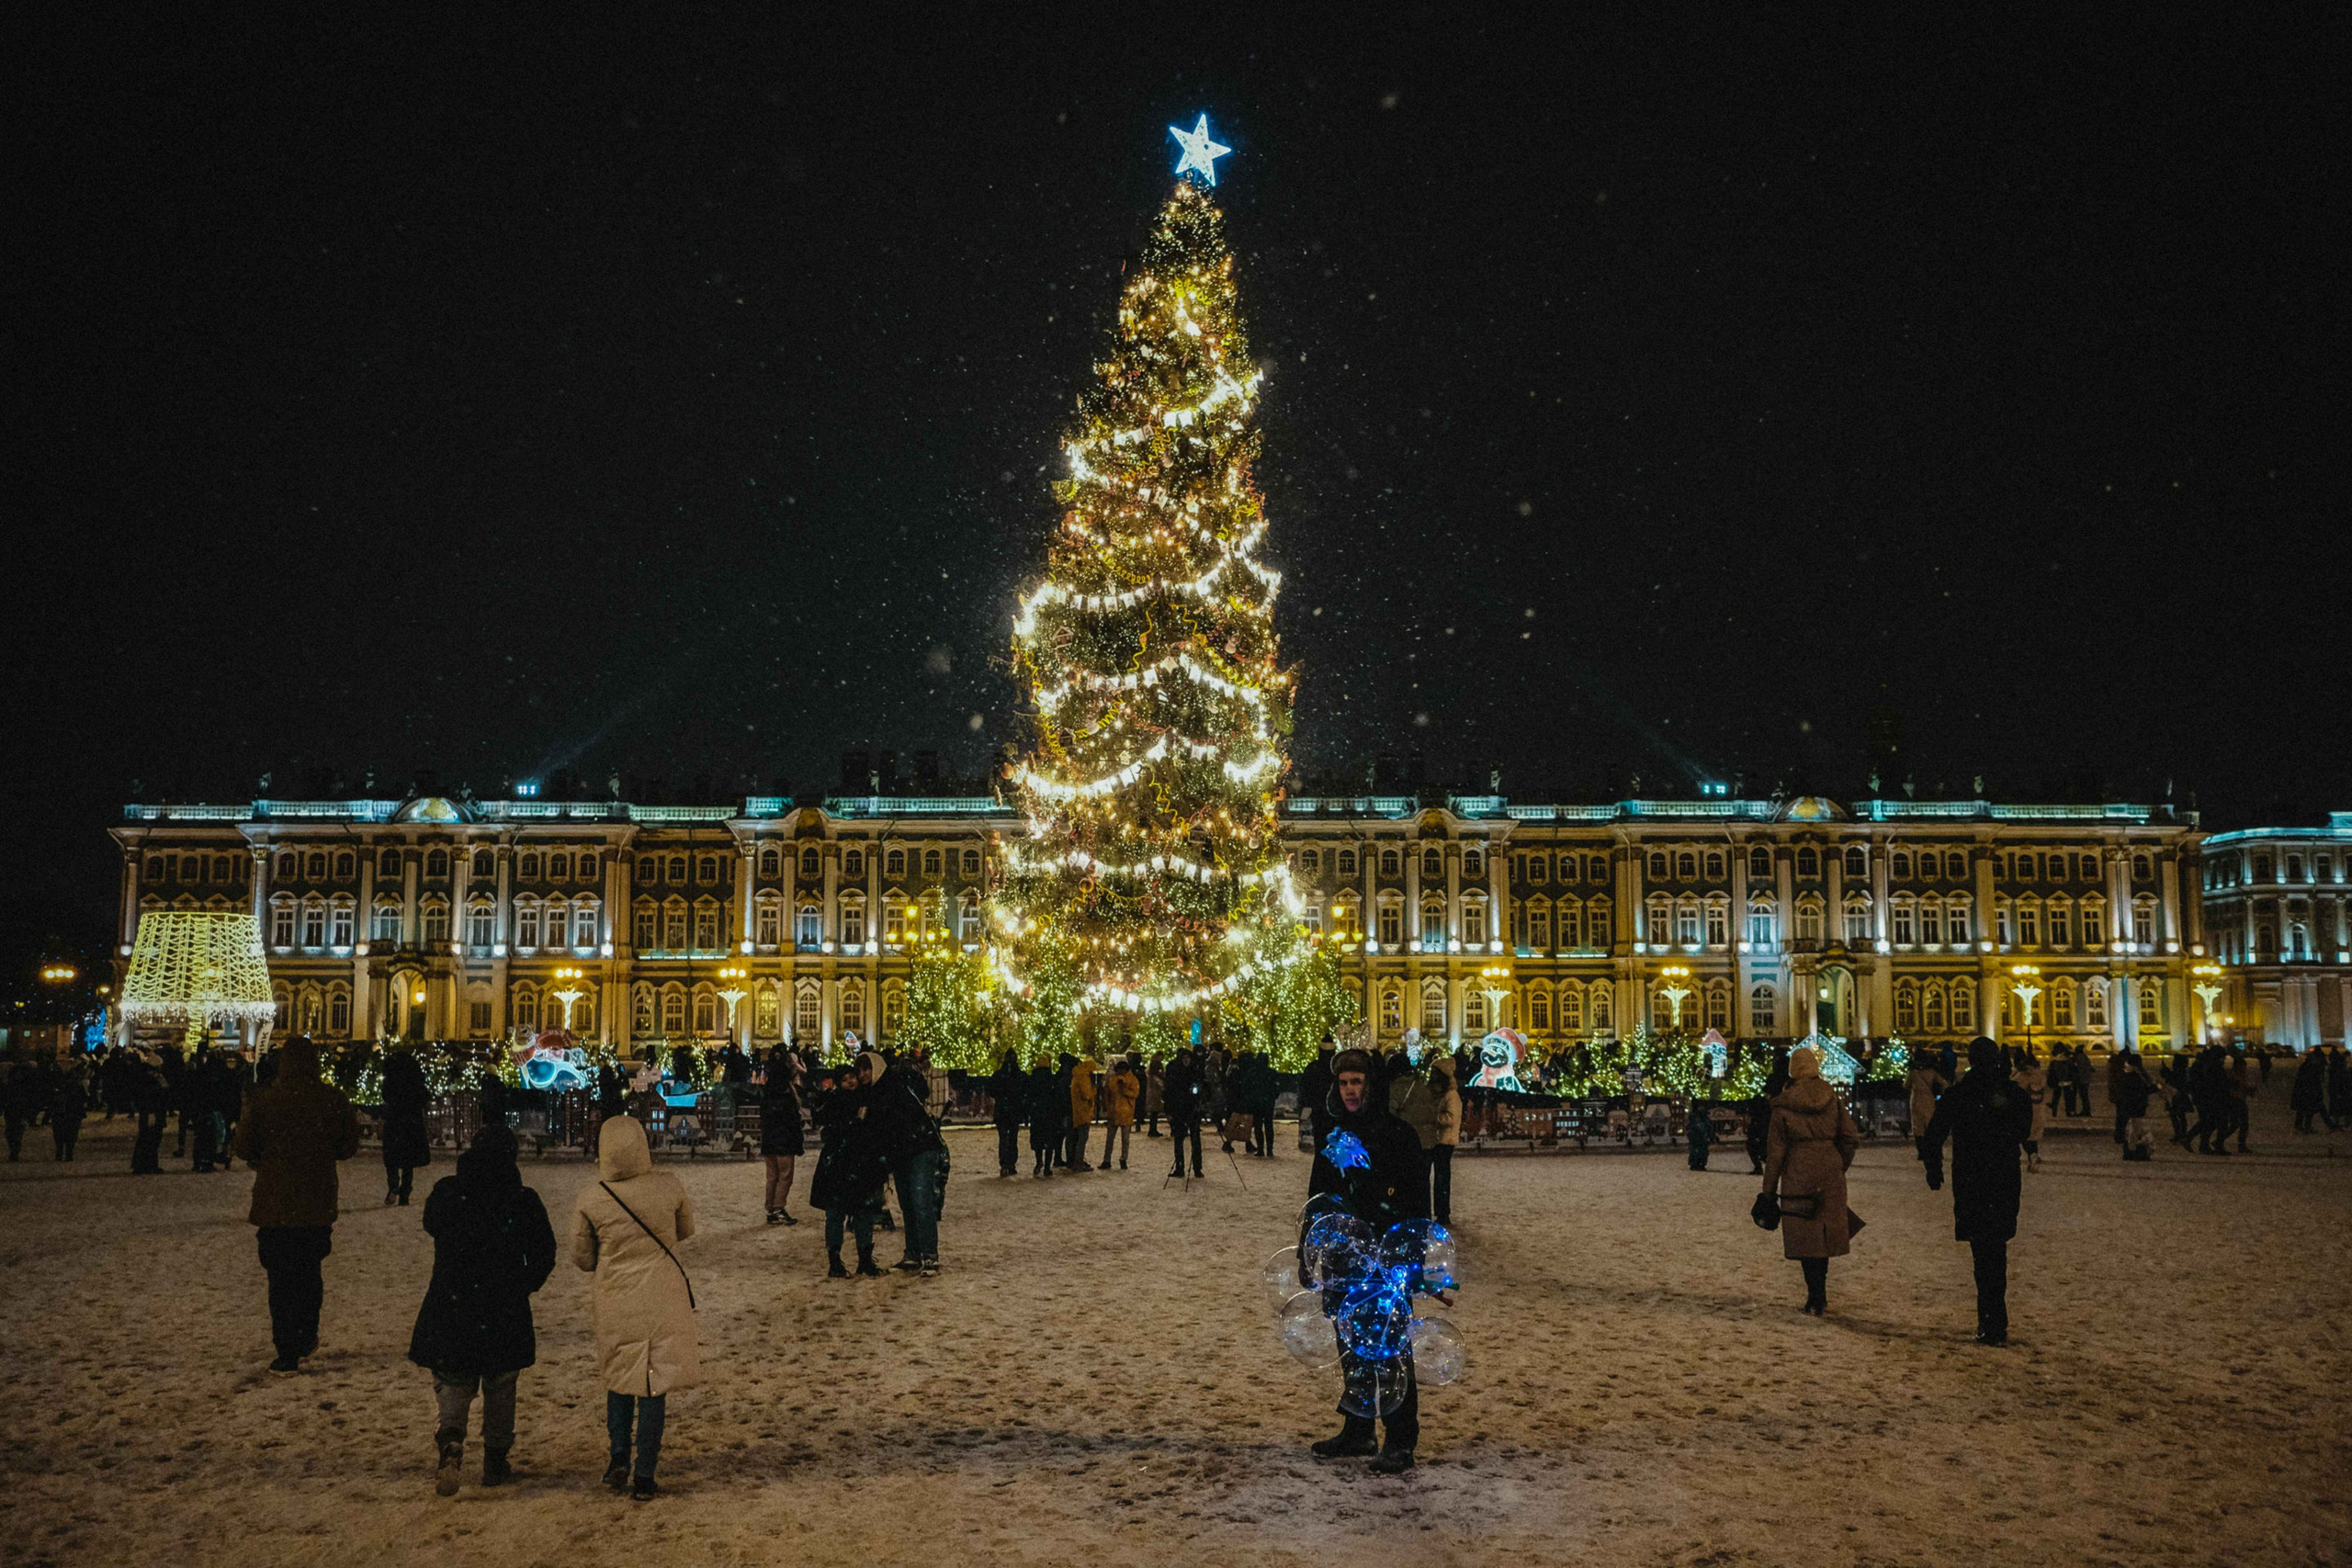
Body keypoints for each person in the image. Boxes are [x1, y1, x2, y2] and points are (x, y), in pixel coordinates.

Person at [409, 1125, 557, 1495]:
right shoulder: (522, 1200)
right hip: (504, 1305)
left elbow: (431, 1224)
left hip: (453, 1301)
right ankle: (495, 1457)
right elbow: (544, 1252)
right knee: (501, 1383)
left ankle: (451, 1438)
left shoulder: (447, 1193)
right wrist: (523, 1284)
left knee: (454, 1378)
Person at [1305, 1047, 1431, 1474]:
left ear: (1371, 1086)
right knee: (1351, 1345)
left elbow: (1418, 1204)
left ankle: (1400, 1438)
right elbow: (1318, 1197)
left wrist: (1413, 1259)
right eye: (1343, 1083)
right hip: (1344, 1258)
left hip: (1385, 1259)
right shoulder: (1334, 1133)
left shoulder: (1399, 1135)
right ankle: (1358, 1429)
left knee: (1391, 1349)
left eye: (1357, 1082)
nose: (1350, 1090)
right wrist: (1309, 1250)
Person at [571, 1114, 698, 1501]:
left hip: (616, 1297)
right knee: (654, 1384)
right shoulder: (668, 1185)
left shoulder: (592, 1198)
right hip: (662, 1296)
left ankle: (618, 1457)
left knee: (620, 1378)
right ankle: (646, 1473)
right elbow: (686, 1230)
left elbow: (582, 1258)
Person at [231, 1037, 362, 1374]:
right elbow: (348, 1145)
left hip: (275, 1202)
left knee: (280, 1279)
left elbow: (243, 1146)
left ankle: (285, 1348)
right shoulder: (331, 1100)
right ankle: (305, 1334)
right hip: (315, 1200)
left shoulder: (266, 1101)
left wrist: (265, 1156)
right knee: (308, 1272)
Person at [1920, 1037, 2035, 1345]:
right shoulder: (2011, 1093)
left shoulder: (1960, 1094)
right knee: (1996, 1249)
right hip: (2003, 1179)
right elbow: (2024, 1128)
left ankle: (1990, 1319)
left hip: (1971, 1180)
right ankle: (1995, 1319)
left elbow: (1935, 1134)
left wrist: (1934, 1169)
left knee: (1982, 1252)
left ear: (1970, 1060)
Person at [1759, 1045, 1860, 1317]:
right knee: (1823, 1234)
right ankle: (1820, 1292)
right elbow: (1850, 1138)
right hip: (1829, 1173)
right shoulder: (1832, 1099)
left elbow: (1775, 1154)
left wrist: (1768, 1191)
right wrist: (1838, 1164)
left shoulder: (1783, 1106)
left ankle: (1814, 1294)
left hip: (1798, 1173)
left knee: (1806, 1236)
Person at [810, 1055, 888, 1277]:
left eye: (852, 1077)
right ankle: (835, 1260)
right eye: (845, 1080)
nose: (850, 1082)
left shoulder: (868, 1098)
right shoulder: (835, 1101)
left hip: (861, 1164)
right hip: (839, 1165)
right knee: (836, 1214)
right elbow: (825, 1122)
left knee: (863, 1213)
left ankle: (864, 1259)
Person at [875, 1053, 948, 1277]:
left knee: (920, 1202)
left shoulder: (894, 1086)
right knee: (908, 1203)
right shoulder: (881, 1091)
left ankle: (929, 1255)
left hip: (919, 1147)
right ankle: (913, 1253)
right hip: (902, 1150)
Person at [379, 1047, 433, 1206]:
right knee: (408, 1161)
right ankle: (405, 1192)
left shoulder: (391, 1079)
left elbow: (386, 1096)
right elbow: (425, 1098)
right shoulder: (415, 1081)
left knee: (391, 1157)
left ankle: (393, 1185)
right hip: (412, 1123)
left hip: (395, 1121)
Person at [1386, 1054, 1442, 1198]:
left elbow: (1391, 1115)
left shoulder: (1394, 1089)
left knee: (1406, 1183)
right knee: (1423, 1182)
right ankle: (1424, 1209)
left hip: (1407, 1143)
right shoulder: (1421, 1087)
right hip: (1427, 1142)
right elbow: (1432, 1113)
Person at [759, 1046, 803, 1224]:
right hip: (784, 1140)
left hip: (769, 1139)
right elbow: (792, 1119)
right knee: (785, 1175)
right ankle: (778, 1208)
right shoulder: (787, 1092)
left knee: (772, 1176)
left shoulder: (768, 1091)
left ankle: (770, 1208)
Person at [1428, 1055, 1459, 1225]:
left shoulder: (1451, 1095)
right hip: (1437, 1139)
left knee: (1441, 1178)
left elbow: (1451, 1119)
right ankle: (1440, 1211)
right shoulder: (1439, 1093)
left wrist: (1433, 1117)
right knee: (1440, 1177)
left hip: (1445, 1141)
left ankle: (1443, 1212)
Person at [1164, 1046, 1204, 1179]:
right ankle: (1179, 1167)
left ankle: (1197, 1168)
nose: (1186, 1060)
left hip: (1193, 1109)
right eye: (1184, 1058)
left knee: (1195, 1140)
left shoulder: (1195, 1073)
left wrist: (1199, 1097)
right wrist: (1169, 1111)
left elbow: (1203, 1091)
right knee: (1179, 1139)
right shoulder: (1175, 1074)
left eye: (1188, 1058)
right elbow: (1169, 1093)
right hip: (1179, 1110)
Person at [130, 1050, 171, 1174]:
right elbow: (155, 1095)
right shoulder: (152, 1078)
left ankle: (144, 1164)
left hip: (150, 1112)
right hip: (153, 1112)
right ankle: (148, 1165)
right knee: (151, 1138)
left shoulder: (145, 1076)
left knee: (147, 1138)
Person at [2112, 1052, 2158, 1160]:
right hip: (2135, 1106)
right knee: (2135, 1130)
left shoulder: (2128, 1075)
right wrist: (2155, 1088)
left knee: (2135, 1129)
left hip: (2133, 1106)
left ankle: (2131, 1150)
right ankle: (2132, 1151)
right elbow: (2141, 1091)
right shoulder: (2134, 1076)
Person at [989, 1049, 1025, 1176]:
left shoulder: (999, 1075)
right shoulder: (1019, 1075)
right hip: (1014, 1110)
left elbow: (992, 1091)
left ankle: (1004, 1164)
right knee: (1012, 1139)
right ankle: (1011, 1164)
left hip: (1002, 1110)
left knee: (1003, 1138)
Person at [1102, 1056, 1140, 1170]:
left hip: (1122, 1113)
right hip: (1120, 1112)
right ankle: (1110, 1160)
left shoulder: (1129, 1080)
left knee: (1121, 1139)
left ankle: (1119, 1159)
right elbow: (1107, 1093)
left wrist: (1124, 1090)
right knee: (1113, 1139)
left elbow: (1135, 1094)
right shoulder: (1129, 1079)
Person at [2013, 1050, 2048, 1174]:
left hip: (2025, 1112)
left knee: (2024, 1137)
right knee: (2033, 1138)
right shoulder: (2041, 1076)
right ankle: (2033, 1157)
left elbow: (2013, 1091)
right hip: (2039, 1111)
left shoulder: (2021, 1077)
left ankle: (2032, 1156)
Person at [1026, 1057, 1062, 1178]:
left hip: (1037, 1114)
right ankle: (1047, 1167)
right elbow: (1057, 1097)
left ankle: (1039, 1161)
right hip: (1049, 1114)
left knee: (1038, 1140)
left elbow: (1029, 1096)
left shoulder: (1032, 1079)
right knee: (1049, 1142)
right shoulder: (1052, 1079)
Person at [2, 1050, 40, 1161]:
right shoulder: (23, 1076)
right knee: (15, 1129)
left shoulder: (16, 1076)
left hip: (15, 1105)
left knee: (14, 1129)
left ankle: (14, 1150)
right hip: (16, 1105)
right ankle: (14, 1150)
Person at [1299, 1039, 1336, 1152]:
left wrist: (1307, 1104)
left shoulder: (1313, 1067)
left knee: (1319, 1140)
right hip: (1332, 1110)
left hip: (1317, 1110)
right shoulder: (1336, 1068)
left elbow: (1304, 1087)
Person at [48, 1060, 88, 1161]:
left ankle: (59, 1154)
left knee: (59, 1134)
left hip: (61, 1112)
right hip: (73, 1113)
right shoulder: (77, 1085)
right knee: (71, 1134)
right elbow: (84, 1098)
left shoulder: (59, 1085)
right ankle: (68, 1154)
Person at [1066, 1054, 1098, 1172]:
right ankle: (1078, 1162)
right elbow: (1087, 1094)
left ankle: (1075, 1160)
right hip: (1084, 1111)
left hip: (1077, 1110)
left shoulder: (1077, 1075)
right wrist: (1094, 1090)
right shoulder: (1084, 1077)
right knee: (1082, 1138)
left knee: (1077, 1137)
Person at [2290, 1047, 2332, 1133]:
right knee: (2312, 1109)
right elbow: (2310, 1080)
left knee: (2304, 1109)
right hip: (2308, 1091)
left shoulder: (2307, 1065)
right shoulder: (2311, 1067)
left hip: (2305, 1091)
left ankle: (2302, 1126)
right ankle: (2306, 1126)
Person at [2223, 1045, 2252, 1153]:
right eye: (2243, 1067)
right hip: (2235, 1101)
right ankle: (2239, 1144)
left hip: (2239, 1100)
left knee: (2239, 1124)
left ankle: (2240, 1144)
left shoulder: (2239, 1076)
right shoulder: (2233, 1076)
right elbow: (2234, 1089)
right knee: (2239, 1124)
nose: (2244, 1069)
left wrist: (2248, 1090)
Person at [1686, 1096, 1715, 1171]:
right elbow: (1702, 1126)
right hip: (1696, 1134)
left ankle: (1699, 1163)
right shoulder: (1696, 1116)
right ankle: (1695, 1163)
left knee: (1700, 1150)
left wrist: (1711, 1135)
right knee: (1697, 1150)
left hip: (1698, 1135)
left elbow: (1707, 1126)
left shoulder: (1700, 1116)